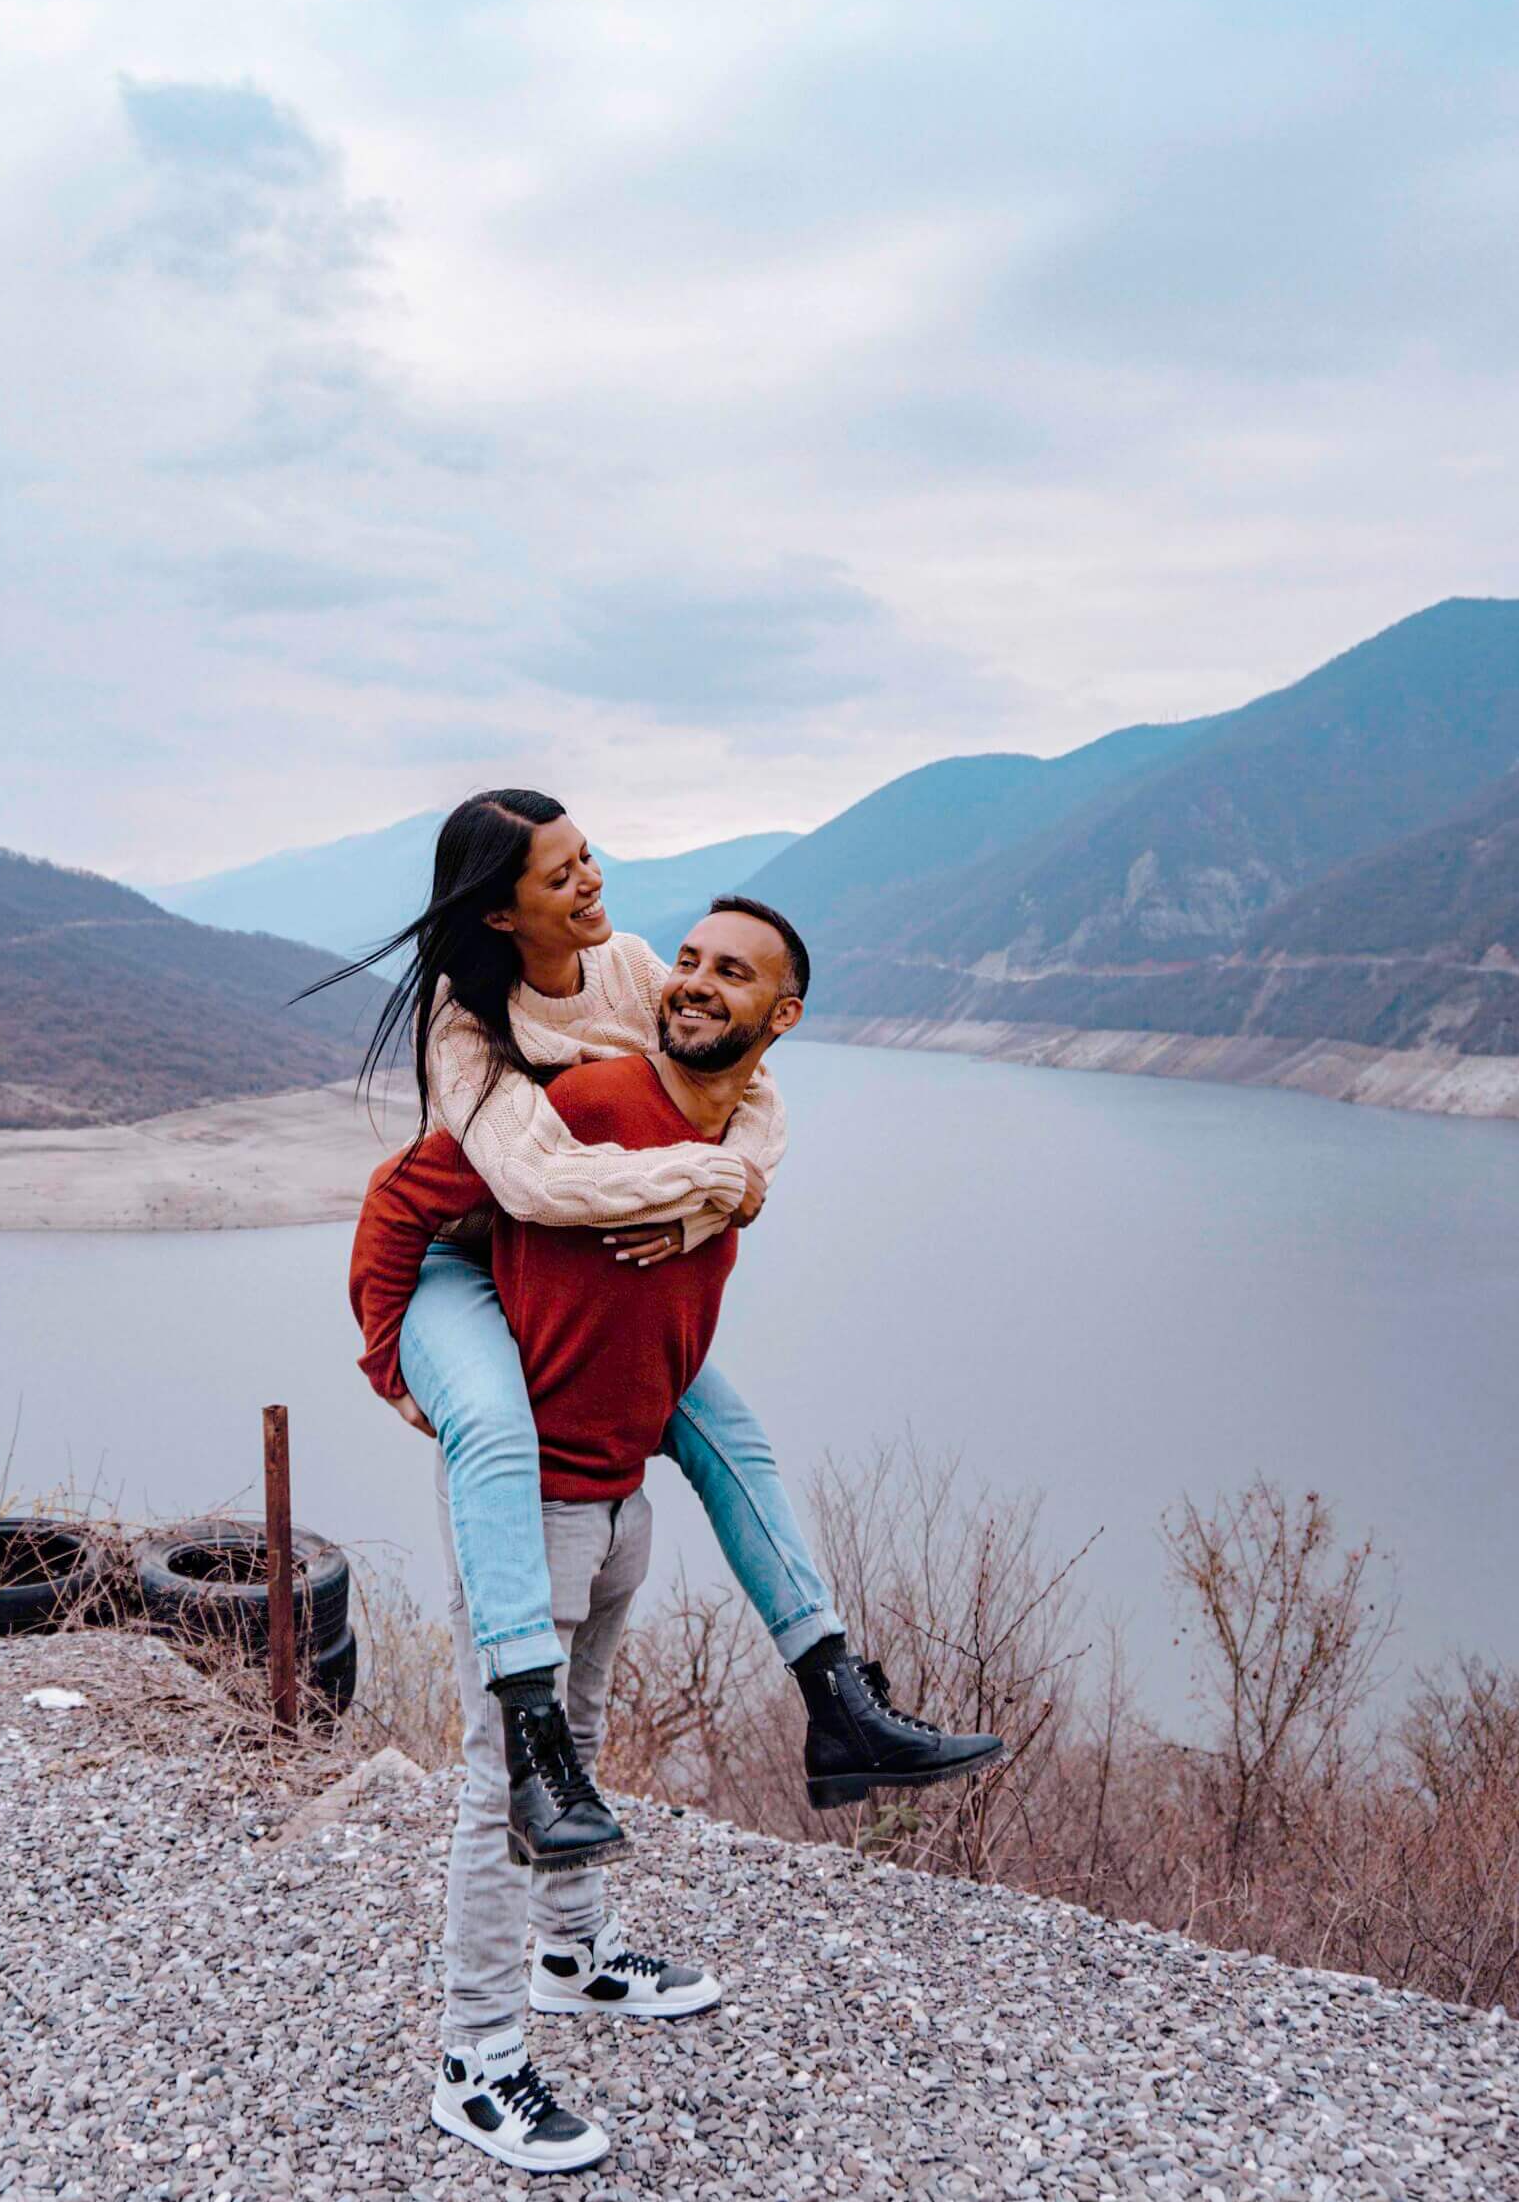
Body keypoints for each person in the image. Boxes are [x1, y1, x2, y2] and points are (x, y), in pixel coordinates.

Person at [349, 901, 1003, 2172]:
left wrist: (725, 1200)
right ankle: (474, 2061)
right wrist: (394, 1362)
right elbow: (403, 1194)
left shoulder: (736, 1142)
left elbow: (716, 1215)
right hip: (528, 1504)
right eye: (688, 961)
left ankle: (575, 1954)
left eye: (732, 971)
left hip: (621, 1498)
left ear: (783, 1016)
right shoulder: (586, 1098)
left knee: (577, 1748)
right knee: (505, 1787)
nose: (695, 981)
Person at [306, 791, 999, 1870]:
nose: (592, 878)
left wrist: (712, 1192)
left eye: (588, 856)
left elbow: (737, 1096)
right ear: (499, 914)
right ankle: (530, 1735)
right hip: (456, 1258)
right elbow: (499, 1185)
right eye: (560, 874)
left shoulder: (631, 971)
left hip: (548, 1269)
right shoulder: (470, 1028)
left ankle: (835, 1693)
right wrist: (385, 1356)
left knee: (735, 1439)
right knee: (490, 1425)